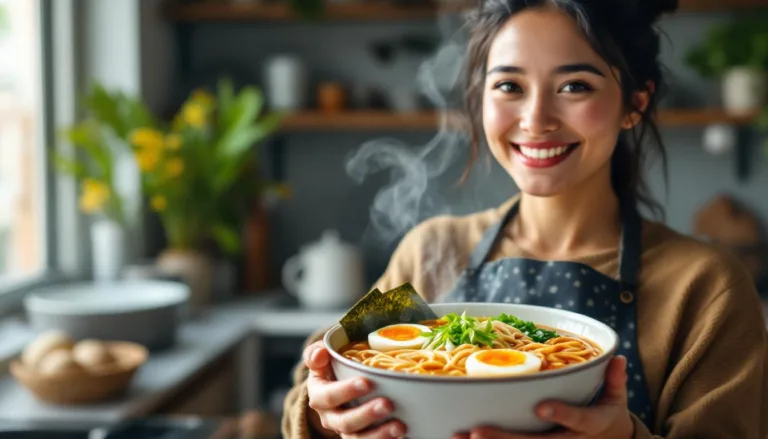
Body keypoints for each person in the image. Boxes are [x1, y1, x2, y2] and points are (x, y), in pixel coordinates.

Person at [281, 0, 768, 438]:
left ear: (634, 103)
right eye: (509, 85)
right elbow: (319, 381)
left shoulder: (705, 286)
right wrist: (328, 416)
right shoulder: (431, 250)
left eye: (575, 85)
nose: (536, 119)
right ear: (480, 98)